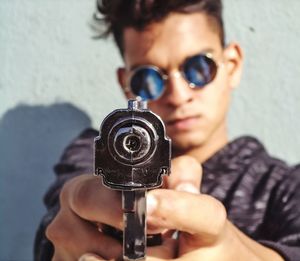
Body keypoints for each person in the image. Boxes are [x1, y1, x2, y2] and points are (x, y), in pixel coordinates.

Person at [34, 0, 300, 260]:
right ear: (126, 84)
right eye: (148, 78)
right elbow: (57, 223)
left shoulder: (286, 187)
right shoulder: (92, 153)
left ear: (232, 65)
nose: (178, 95)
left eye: (198, 68)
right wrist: (69, 234)